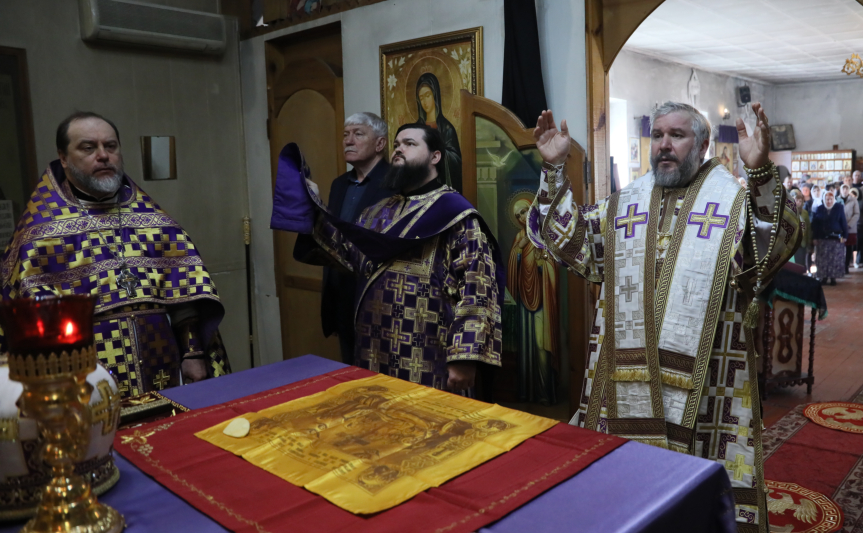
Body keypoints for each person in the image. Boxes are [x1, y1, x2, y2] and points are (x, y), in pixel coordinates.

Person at [526, 100, 801, 533]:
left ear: (703, 144)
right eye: (657, 135)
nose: (664, 145)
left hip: (702, 385)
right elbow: (576, 246)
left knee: (688, 516)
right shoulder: (625, 203)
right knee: (619, 503)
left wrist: (759, 173)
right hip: (622, 378)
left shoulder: (731, 201)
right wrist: (555, 169)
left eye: (677, 135)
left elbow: (771, 248)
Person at [0, 112, 230, 397]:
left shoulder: (156, 222)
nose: (103, 156)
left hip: (164, 367)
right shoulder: (39, 235)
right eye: (88, 147)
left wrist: (193, 354)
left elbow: (185, 297)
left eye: (110, 146)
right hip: (85, 381)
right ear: (63, 157)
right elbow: (28, 322)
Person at [274, 123, 501, 393]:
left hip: (429, 352)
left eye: (409, 144)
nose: (398, 150)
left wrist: (464, 357)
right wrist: (312, 205)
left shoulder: (456, 215)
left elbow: (478, 288)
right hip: (373, 348)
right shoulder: (376, 212)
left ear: (435, 156)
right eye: (396, 145)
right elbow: (346, 254)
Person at [317, 113, 396, 363]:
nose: (348, 141)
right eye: (345, 135)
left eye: (358, 134)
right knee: (350, 369)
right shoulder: (339, 184)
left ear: (380, 144)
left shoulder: (396, 183)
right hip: (341, 293)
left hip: (378, 296)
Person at [507, 196, 559, 405]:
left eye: (524, 211)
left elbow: (551, 266)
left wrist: (541, 263)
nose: (522, 217)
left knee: (540, 344)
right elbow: (513, 266)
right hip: (523, 298)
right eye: (518, 215)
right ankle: (525, 392)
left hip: (542, 299)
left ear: (531, 210)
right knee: (525, 345)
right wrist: (518, 251)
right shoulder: (519, 237)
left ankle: (543, 392)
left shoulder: (543, 236)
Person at [415, 72, 462, 193]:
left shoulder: (447, 128)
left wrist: (437, 154)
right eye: (421, 98)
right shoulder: (416, 128)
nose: (425, 101)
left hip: (442, 186)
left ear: (435, 95)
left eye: (428, 95)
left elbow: (456, 160)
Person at [811, 191, 848, 285]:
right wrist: (814, 237)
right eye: (827, 199)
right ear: (824, 199)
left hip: (836, 238)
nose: (829, 201)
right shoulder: (819, 208)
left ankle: (833, 278)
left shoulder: (839, 207)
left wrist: (845, 236)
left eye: (831, 199)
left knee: (834, 259)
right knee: (822, 259)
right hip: (822, 238)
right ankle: (823, 277)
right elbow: (815, 225)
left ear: (834, 199)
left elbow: (843, 222)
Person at [791, 189, 813, 269]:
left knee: (801, 263)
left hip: (802, 242)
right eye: (796, 200)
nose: (798, 202)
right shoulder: (788, 212)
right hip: (791, 242)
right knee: (792, 264)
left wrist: (808, 242)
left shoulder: (805, 213)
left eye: (800, 201)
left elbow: (808, 228)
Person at [841, 184, 861, 270]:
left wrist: (849, 224)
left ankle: (846, 266)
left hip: (850, 228)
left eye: (846, 189)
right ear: (841, 190)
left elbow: (856, 214)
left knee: (849, 247)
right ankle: (840, 265)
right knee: (840, 247)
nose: (845, 190)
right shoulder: (837, 199)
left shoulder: (853, 200)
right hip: (840, 228)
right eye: (843, 189)